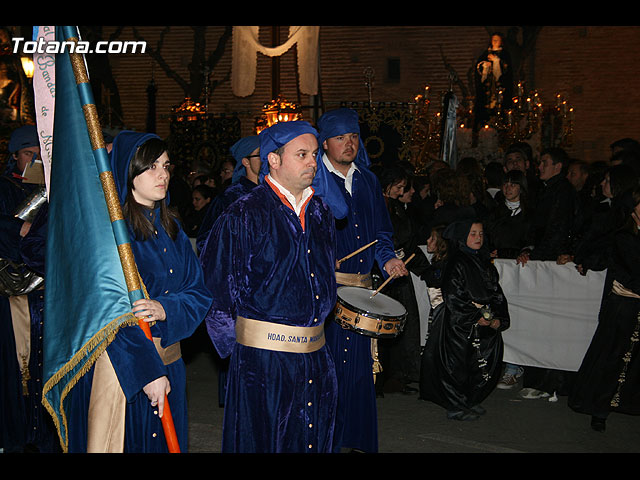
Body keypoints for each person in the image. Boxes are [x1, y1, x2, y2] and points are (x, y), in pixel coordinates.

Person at [66, 131, 212, 453]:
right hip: (126, 369)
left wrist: (165, 308)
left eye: (166, 165)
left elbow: (199, 292)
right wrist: (148, 372)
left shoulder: (172, 227)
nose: (162, 175)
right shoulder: (111, 236)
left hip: (171, 362)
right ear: (128, 172)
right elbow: (111, 314)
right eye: (151, 167)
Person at [199, 121, 338, 453]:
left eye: (315, 154)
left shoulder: (320, 211)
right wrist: (247, 360)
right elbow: (216, 295)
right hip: (265, 366)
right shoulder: (244, 214)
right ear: (273, 160)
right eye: (301, 154)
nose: (313, 162)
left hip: (317, 358)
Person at [315, 107, 407, 453]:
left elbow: (382, 233)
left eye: (353, 136)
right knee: (328, 370)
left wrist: (388, 259)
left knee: (358, 372)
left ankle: (356, 441)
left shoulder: (368, 180)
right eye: (341, 137)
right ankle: (327, 441)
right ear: (325, 143)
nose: (349, 143)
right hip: (327, 290)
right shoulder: (315, 181)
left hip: (364, 290)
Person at [0, 124, 59, 452]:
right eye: (28, 154)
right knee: (17, 370)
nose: (34, 161)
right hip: (14, 297)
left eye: (40, 155)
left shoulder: (53, 189)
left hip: (47, 294)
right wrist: (15, 227)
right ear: (14, 156)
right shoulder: (5, 187)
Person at [419, 219, 510, 420]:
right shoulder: (456, 262)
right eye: (473, 234)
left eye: (481, 234)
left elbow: (496, 291)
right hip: (459, 323)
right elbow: (453, 295)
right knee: (456, 365)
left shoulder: (484, 261)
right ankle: (455, 403)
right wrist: (475, 316)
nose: (478, 238)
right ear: (462, 237)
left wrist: (498, 317)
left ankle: (469, 399)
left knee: (479, 364)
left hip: (483, 321)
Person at [568, 186, 640, 432]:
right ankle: (599, 409)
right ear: (633, 212)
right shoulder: (624, 238)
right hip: (624, 305)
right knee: (612, 356)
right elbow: (633, 271)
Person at [516, 147, 579, 399]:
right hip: (543, 260)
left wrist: (537, 255)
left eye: (544, 162)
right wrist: (528, 249)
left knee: (549, 325)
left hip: (552, 267)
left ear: (558, 167)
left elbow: (557, 230)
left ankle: (548, 382)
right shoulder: (547, 190)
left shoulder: (562, 193)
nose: (538, 166)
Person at [374, 165, 429, 395]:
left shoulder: (397, 207)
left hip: (398, 273)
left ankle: (399, 376)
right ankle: (381, 378)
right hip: (382, 275)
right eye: (399, 187)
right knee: (382, 326)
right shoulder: (377, 205)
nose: (403, 191)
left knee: (402, 326)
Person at [196, 135, 261, 254]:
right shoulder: (230, 197)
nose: (266, 158)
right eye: (260, 155)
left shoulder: (271, 192)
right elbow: (205, 241)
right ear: (246, 161)